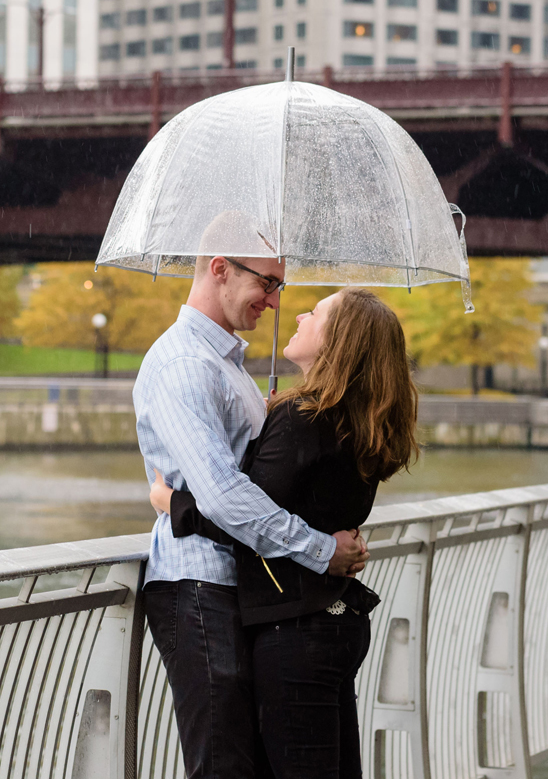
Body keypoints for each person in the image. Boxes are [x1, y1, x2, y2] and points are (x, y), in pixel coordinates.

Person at [150, 288, 419, 779]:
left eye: (314, 312)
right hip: (336, 619)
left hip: (296, 629)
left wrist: (176, 504)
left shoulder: (303, 420)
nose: (295, 311)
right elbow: (299, 506)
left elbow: (244, 520)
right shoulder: (355, 422)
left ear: (339, 341)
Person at [134, 232, 368, 779]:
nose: (275, 300)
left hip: (244, 587)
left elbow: (250, 486)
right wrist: (318, 549)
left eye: (279, 285)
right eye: (267, 283)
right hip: (199, 587)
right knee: (225, 765)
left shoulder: (230, 368)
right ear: (219, 268)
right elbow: (222, 496)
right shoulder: (182, 365)